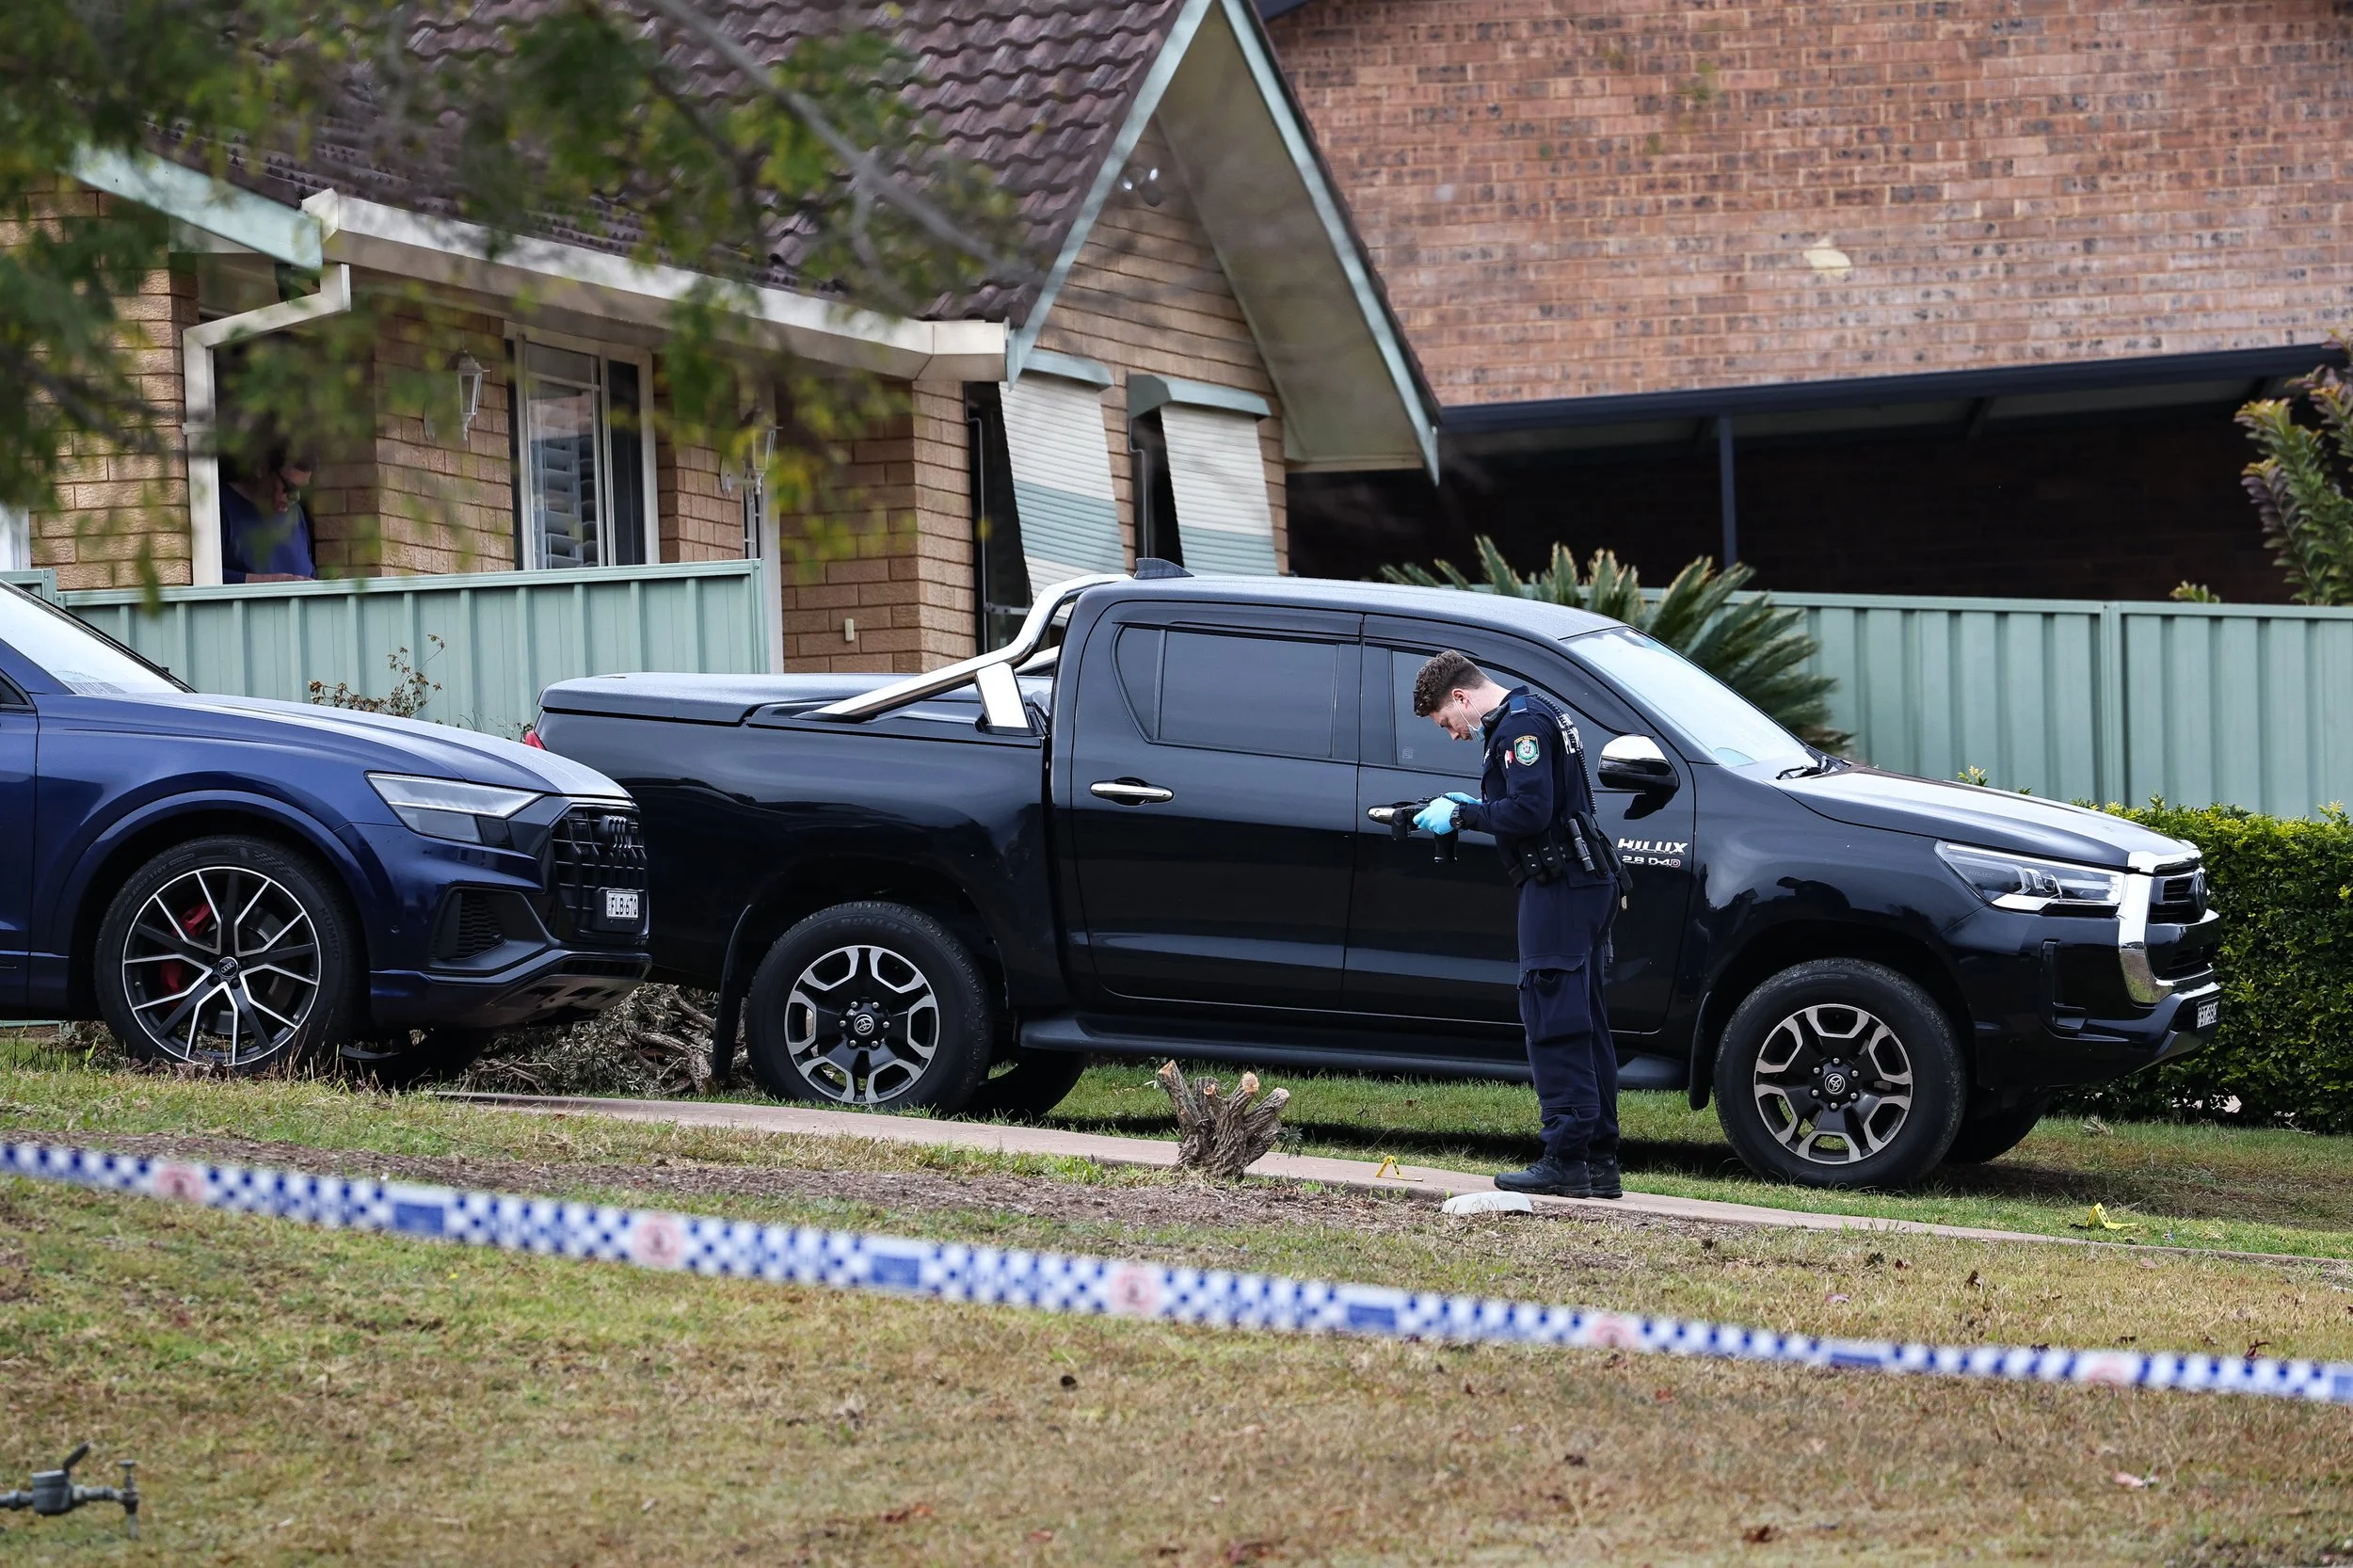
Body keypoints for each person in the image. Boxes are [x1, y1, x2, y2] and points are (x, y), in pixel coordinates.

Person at [1410, 649, 1627, 1199]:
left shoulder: (1519, 727)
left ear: (1461, 697)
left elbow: (1530, 812)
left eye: (1445, 722)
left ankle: (1565, 1158)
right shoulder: (1533, 712)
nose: (1454, 735)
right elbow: (1539, 804)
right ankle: (1598, 1159)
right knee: (1585, 1018)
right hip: (1582, 881)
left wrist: (1464, 814)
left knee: (1554, 1016)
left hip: (1560, 886)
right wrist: (1480, 804)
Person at [219, 447, 318, 584]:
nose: (296, 497)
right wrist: (270, 583)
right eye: (290, 488)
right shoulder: (218, 507)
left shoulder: (295, 513)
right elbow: (205, 577)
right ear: (261, 469)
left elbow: (308, 572)